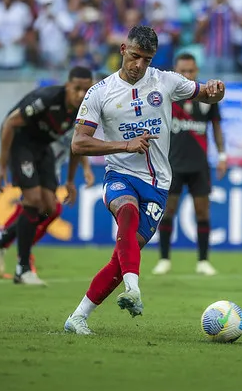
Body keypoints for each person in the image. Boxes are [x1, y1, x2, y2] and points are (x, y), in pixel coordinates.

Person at [64, 25, 225, 336]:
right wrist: (124, 145)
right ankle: (134, 288)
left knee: (121, 258)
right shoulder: (100, 93)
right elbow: (78, 144)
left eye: (147, 60)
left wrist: (218, 91)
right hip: (120, 174)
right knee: (127, 211)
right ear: (123, 49)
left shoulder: (165, 81)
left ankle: (78, 317)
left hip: (158, 184)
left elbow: (207, 93)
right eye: (135, 56)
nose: (139, 65)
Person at [0, 67, 94, 285]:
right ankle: (23, 269)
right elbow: (10, 122)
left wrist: (71, 181)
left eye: (86, 89)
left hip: (43, 148)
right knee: (33, 199)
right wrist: (1, 166)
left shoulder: (84, 109)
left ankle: (0, 240)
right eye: (77, 89)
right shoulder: (46, 99)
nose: (81, 95)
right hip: (21, 144)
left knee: (48, 207)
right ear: (67, 86)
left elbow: (78, 145)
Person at [0, 128, 95, 277]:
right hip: (36, 161)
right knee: (43, 208)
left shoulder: (81, 118)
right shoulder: (61, 113)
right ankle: (20, 254)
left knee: (38, 210)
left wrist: (85, 168)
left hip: (51, 167)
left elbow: (78, 143)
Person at [152, 53, 226, 277]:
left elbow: (216, 127)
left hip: (199, 164)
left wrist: (222, 155)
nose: (187, 75)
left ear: (196, 72)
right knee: (168, 212)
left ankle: (203, 261)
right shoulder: (166, 95)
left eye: (191, 71)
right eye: (182, 71)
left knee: (202, 212)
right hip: (172, 163)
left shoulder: (207, 98)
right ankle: (164, 259)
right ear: (175, 71)